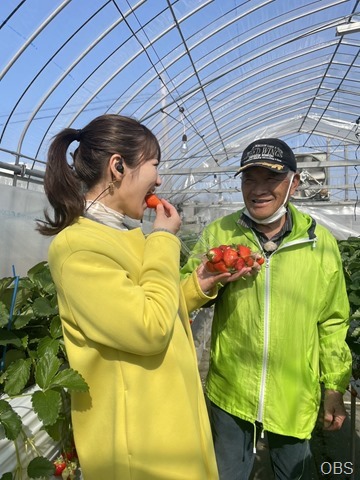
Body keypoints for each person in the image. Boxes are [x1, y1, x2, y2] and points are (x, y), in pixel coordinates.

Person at [37, 114, 236, 480]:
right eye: (154, 165)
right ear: (118, 166)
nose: (159, 179)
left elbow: (147, 304)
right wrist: (163, 239)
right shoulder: (77, 248)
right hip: (140, 450)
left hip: (166, 428)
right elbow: (148, 328)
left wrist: (196, 287)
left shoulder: (119, 235)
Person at [181, 138, 352, 480]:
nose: (258, 190)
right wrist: (209, 281)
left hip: (293, 392)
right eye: (249, 179)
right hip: (230, 389)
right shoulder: (220, 234)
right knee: (226, 473)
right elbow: (183, 296)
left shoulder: (319, 243)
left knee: (295, 473)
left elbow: (332, 320)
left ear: (294, 182)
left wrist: (333, 386)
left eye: (270, 179)